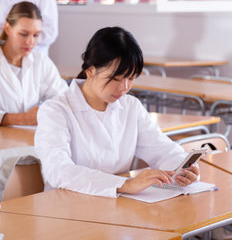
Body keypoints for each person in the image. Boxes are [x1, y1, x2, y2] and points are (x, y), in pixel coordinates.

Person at [35, 27, 199, 197]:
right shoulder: (55, 110)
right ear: (90, 70)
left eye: (131, 77)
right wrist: (124, 184)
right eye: (116, 78)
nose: (125, 87)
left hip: (117, 205)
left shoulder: (131, 107)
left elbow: (163, 149)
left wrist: (183, 169)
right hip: (67, 206)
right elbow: (58, 170)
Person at [0, 2, 67, 127]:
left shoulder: (41, 61)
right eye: (23, 34)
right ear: (7, 29)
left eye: (36, 35)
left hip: (31, 139)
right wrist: (22, 119)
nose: (30, 41)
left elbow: (62, 97)